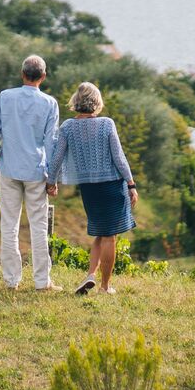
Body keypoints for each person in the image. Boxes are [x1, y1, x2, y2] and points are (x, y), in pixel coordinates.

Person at [45, 81, 135, 295]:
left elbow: (57, 157)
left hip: (89, 190)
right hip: (112, 186)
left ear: (76, 101)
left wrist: (51, 182)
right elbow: (119, 157)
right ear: (97, 102)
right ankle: (105, 287)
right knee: (110, 236)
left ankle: (90, 276)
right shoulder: (106, 124)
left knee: (100, 233)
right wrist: (131, 183)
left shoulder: (67, 126)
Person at [0, 53, 61, 290]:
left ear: (22, 74)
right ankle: (41, 282)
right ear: (43, 76)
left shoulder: (5, 97)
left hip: (9, 168)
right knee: (38, 227)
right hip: (36, 172)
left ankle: (11, 280)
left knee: (9, 225)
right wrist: (53, 178)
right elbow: (51, 143)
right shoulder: (50, 104)